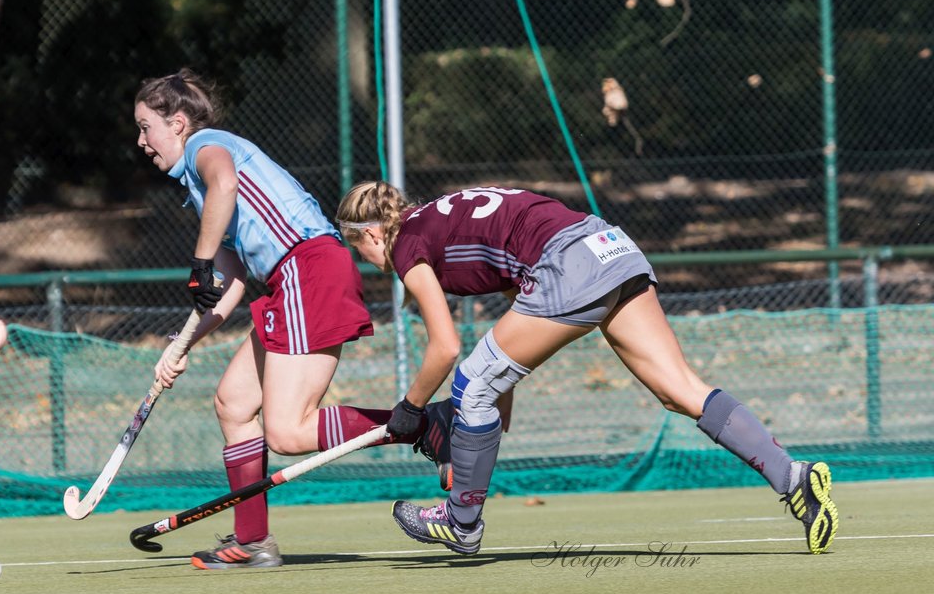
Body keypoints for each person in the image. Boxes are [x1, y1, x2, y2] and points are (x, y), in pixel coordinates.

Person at [335, 180, 838, 556]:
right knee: (680, 388)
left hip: (566, 262)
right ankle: (794, 478)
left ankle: (462, 523)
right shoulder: (443, 216)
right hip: (607, 244)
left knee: (469, 382)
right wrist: (480, 422)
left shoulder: (406, 245)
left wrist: (411, 409)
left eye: (355, 245)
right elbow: (516, 313)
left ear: (372, 233)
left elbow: (444, 348)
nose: (365, 257)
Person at [134, 70, 442, 569]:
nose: (141, 141)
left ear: (179, 123)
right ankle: (253, 541)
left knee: (287, 433)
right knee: (234, 404)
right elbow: (230, 283)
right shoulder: (201, 187)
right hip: (292, 280)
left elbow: (225, 183)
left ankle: (425, 426)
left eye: (146, 126)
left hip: (307, 270)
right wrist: (181, 344)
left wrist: (200, 261)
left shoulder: (205, 147)